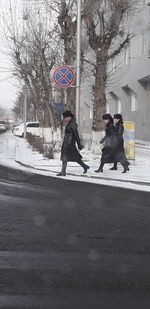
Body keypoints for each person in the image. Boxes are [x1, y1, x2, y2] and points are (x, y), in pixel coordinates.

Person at [57, 110, 89, 176]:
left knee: (68, 157)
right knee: (73, 157)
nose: (65, 119)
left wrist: (79, 144)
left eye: (65, 117)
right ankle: (84, 166)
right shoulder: (70, 123)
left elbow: (76, 134)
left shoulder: (73, 124)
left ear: (69, 117)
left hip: (70, 144)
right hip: (67, 142)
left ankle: (63, 171)